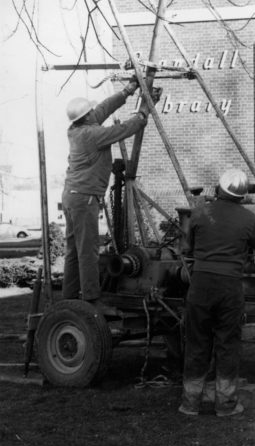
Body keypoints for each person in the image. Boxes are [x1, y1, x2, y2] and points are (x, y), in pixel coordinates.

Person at [61, 79, 160, 302]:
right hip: (84, 198)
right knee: (88, 251)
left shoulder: (76, 129)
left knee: (73, 251)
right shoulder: (93, 135)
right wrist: (144, 112)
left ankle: (69, 298)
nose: (95, 113)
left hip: (72, 196)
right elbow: (126, 129)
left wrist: (127, 91)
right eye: (91, 112)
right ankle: (91, 299)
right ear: (87, 116)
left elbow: (103, 108)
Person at [179, 169, 255, 417]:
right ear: (242, 196)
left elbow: (188, 246)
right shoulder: (249, 219)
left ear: (218, 189)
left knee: (197, 342)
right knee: (227, 344)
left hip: (201, 285)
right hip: (229, 287)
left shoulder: (200, 213)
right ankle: (226, 404)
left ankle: (190, 403)